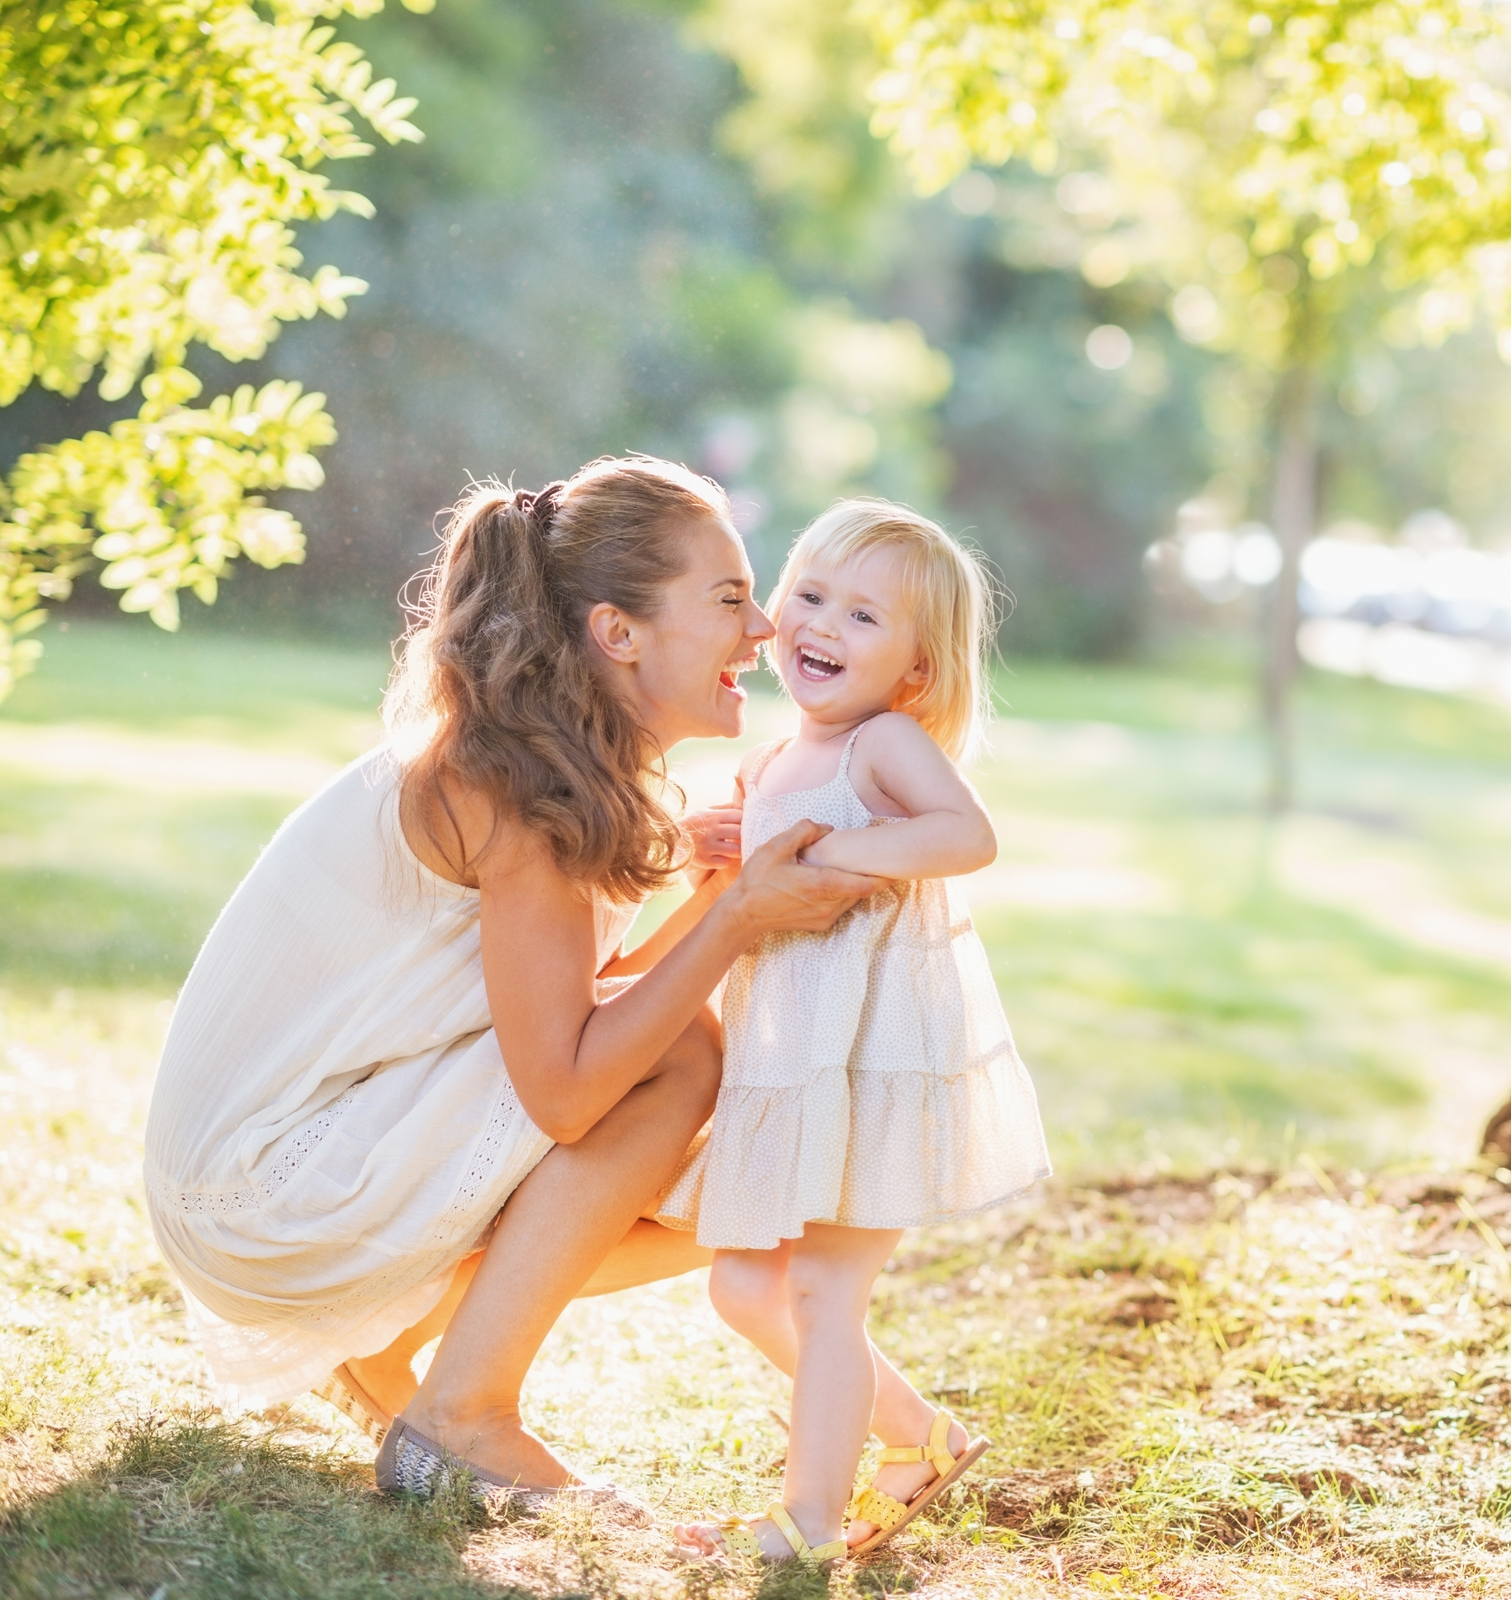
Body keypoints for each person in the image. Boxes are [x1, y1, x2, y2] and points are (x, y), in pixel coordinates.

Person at [141, 456, 884, 1509]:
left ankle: (396, 1345)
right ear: (617, 633)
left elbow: (565, 1005)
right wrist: (733, 917)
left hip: (279, 1159)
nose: (761, 629)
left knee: (735, 1172)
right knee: (682, 1059)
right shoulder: (515, 785)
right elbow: (569, 1087)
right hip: (257, 1187)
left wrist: (703, 888)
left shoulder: (559, 761)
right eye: (728, 599)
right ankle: (464, 1414)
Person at [662, 499, 1052, 1564]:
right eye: (813, 597)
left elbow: (966, 835)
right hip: (791, 1055)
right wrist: (721, 843)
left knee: (822, 1291)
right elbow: (761, 874)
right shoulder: (780, 752)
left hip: (873, 1057)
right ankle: (922, 1438)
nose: (822, 625)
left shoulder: (883, 741)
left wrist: (840, 855)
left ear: (915, 670)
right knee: (743, 1286)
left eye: (864, 616)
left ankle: (808, 1523)